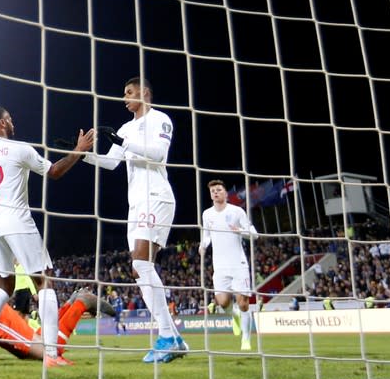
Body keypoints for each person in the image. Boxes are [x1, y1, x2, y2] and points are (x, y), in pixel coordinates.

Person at [0, 106, 95, 366]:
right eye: (11, 119)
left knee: (4, 286)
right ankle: (51, 354)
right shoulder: (19, 149)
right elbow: (55, 172)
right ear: (3, 122)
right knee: (44, 281)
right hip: (17, 218)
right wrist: (79, 151)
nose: (13, 123)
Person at [82, 77, 187, 363]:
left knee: (141, 263)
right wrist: (82, 155)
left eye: (129, 93)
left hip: (157, 196)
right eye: (124, 93)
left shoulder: (160, 119)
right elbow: (112, 162)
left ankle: (167, 336)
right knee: (141, 269)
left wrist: (124, 142)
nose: (124, 97)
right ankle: (174, 337)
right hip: (136, 203)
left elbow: (159, 154)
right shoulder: (126, 128)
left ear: (145, 93)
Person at [199, 179, 258, 351]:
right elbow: (206, 235)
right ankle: (235, 316)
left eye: (218, 190)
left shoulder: (237, 211)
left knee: (243, 302)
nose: (215, 193)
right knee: (223, 303)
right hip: (220, 266)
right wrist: (203, 245)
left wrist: (240, 231)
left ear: (225, 193)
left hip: (238, 264)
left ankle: (246, 339)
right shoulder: (207, 214)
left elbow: (254, 234)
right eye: (212, 191)